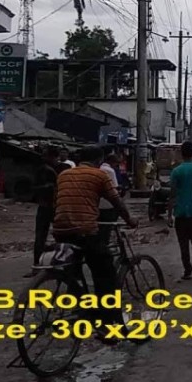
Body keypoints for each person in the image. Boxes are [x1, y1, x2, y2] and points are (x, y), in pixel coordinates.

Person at [52, 145, 137, 342]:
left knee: (75, 272)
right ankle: (106, 327)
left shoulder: (64, 174)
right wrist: (130, 220)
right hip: (85, 231)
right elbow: (117, 202)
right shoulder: (99, 175)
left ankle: (82, 309)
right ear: (99, 160)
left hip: (60, 230)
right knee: (106, 275)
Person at [167, 141, 192, 280]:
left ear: (181, 154)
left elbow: (172, 195)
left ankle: (187, 270)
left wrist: (169, 215)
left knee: (183, 242)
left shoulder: (176, 171)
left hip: (180, 211)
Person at [27, 146, 67, 276]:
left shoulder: (64, 168)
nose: (43, 158)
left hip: (58, 206)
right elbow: (34, 187)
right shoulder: (41, 169)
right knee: (40, 238)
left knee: (62, 237)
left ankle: (62, 264)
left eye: (46, 155)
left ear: (54, 156)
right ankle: (37, 267)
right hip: (45, 206)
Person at [98, 150, 121, 244]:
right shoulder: (110, 171)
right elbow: (114, 189)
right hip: (108, 205)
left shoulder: (98, 168)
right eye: (116, 164)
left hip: (97, 204)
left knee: (100, 229)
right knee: (107, 229)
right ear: (112, 162)